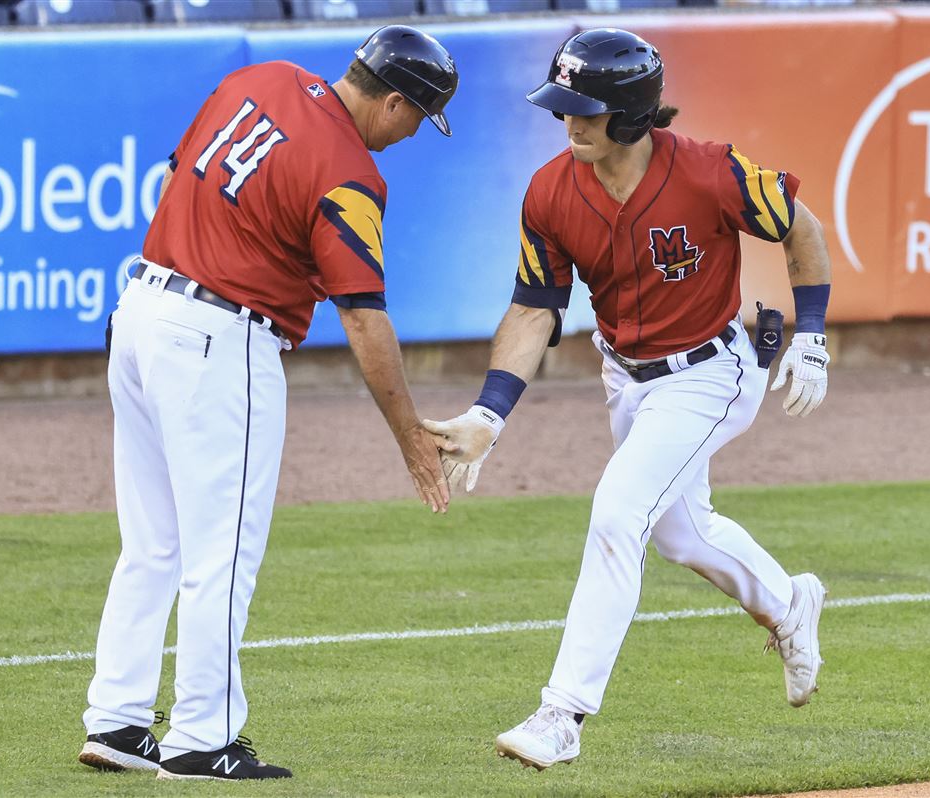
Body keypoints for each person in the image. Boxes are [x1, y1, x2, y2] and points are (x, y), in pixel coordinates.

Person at [423, 28, 832, 771]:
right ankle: (787, 602)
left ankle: (562, 714)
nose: (569, 121)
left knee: (617, 514)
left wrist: (809, 334)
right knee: (681, 533)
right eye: (562, 107)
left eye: (585, 108)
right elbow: (532, 307)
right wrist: (489, 412)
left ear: (634, 113)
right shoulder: (549, 190)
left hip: (710, 372)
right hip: (625, 375)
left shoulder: (711, 172)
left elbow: (800, 227)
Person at [78, 25, 458, 782]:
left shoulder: (263, 78)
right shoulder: (349, 171)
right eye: (418, 116)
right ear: (392, 101)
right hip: (221, 339)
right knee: (222, 551)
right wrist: (408, 435)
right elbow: (362, 313)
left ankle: (118, 722)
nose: (414, 133)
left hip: (145, 305)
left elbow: (176, 169)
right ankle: (201, 739)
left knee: (154, 542)